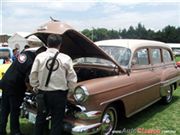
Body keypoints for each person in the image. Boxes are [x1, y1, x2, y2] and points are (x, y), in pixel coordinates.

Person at [29, 34, 77, 135]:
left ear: (47, 44)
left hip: (42, 93)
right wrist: (70, 91)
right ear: (60, 45)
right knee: (56, 121)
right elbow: (72, 79)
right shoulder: (66, 58)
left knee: (40, 119)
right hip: (59, 95)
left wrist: (36, 86)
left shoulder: (40, 56)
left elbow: (33, 75)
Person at [0, 46, 46, 135]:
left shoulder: (26, 54)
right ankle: (15, 132)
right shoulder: (32, 63)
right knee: (14, 110)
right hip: (15, 86)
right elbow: (28, 81)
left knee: (4, 109)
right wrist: (35, 91)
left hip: (5, 82)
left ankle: (1, 130)